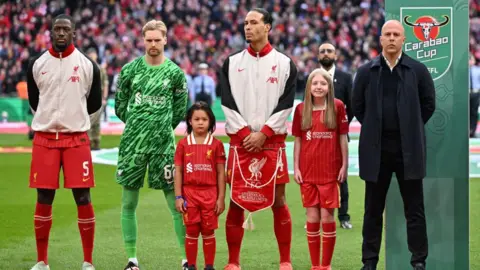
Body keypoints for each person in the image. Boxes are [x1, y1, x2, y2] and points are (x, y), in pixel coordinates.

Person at [351, 20, 435, 270]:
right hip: (377, 150)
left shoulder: (417, 70)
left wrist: (410, 128)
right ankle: (369, 261)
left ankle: (418, 260)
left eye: (396, 34)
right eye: (387, 34)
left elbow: (428, 104)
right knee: (372, 210)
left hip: (408, 149)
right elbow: (358, 106)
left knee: (415, 209)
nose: (391, 38)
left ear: (404, 39)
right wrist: (376, 127)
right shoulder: (367, 71)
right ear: (380, 39)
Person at [220, 8, 298, 270]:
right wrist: (245, 134)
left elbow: (287, 104)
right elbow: (227, 103)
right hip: (241, 143)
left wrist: (264, 134)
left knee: (279, 201)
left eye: (254, 23)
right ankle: (233, 262)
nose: (247, 27)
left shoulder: (285, 63)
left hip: (272, 143)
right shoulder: (231, 63)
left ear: (268, 27)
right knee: (235, 200)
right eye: (245, 23)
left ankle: (285, 260)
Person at [26, 14, 102, 270]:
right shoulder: (37, 64)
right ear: (50, 32)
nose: (61, 33)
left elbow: (94, 104)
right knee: (44, 197)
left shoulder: (87, 65)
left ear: (74, 33)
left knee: (83, 197)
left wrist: (73, 123)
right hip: (45, 139)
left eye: (65, 30)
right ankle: (42, 261)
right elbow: (35, 102)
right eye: (57, 29)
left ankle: (88, 261)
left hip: (76, 140)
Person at [114, 20, 189, 270]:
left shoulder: (175, 74)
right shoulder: (129, 70)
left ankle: (185, 259)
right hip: (132, 146)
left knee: (175, 202)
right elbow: (120, 106)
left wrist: (157, 128)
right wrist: (139, 125)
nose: (153, 44)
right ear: (143, 40)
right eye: (149, 40)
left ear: (166, 40)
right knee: (128, 202)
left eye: (158, 40)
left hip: (163, 146)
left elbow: (179, 111)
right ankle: (132, 260)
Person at [292, 68, 349, 270]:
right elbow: (298, 141)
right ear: (308, 87)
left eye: (322, 84)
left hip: (329, 171)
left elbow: (343, 138)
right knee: (312, 218)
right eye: (314, 83)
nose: (318, 87)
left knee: (327, 217)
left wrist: (344, 164)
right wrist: (296, 167)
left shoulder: (338, 107)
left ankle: (326, 265)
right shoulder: (301, 110)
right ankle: (315, 265)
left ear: (329, 87)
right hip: (307, 172)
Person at [174, 102, 226, 270]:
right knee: (192, 231)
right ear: (190, 121)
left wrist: (221, 198)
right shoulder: (183, 144)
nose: (201, 122)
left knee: (208, 231)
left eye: (204, 119)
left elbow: (220, 173)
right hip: (189, 193)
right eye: (197, 119)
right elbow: (179, 172)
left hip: (210, 194)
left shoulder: (216, 144)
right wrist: (178, 197)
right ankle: (191, 266)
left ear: (210, 121)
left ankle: (209, 266)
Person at [317, 42, 354, 229]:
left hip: (338, 135)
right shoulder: (312, 77)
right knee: (315, 176)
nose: (325, 53)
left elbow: (353, 105)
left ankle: (344, 216)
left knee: (341, 177)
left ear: (335, 55)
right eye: (322, 51)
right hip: (315, 137)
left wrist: (342, 126)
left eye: (329, 51)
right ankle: (315, 216)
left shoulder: (346, 78)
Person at [86, 48, 109, 150]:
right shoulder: (85, 69)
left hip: (98, 98)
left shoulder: (101, 70)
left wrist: (104, 98)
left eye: (93, 55)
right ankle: (88, 142)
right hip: (88, 98)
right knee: (88, 121)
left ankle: (96, 143)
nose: (92, 57)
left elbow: (105, 84)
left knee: (97, 122)